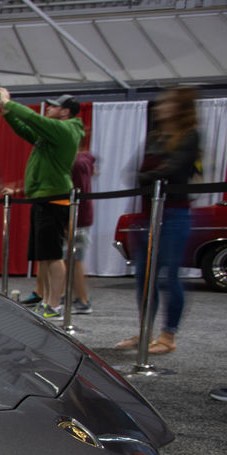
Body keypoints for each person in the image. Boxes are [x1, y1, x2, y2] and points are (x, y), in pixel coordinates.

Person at [116, 86, 201, 355]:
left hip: (174, 213)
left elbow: (174, 170)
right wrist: (151, 176)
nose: (161, 107)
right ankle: (145, 331)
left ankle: (168, 335)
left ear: (180, 108)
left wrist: (150, 176)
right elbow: (137, 171)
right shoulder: (156, 136)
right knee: (143, 276)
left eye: (167, 103)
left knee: (169, 276)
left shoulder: (189, 136)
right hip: (147, 214)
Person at [0, 89, 84, 318]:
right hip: (44, 198)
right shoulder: (53, 135)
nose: (49, 109)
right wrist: (7, 114)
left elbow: (33, 120)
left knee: (53, 254)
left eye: (54, 106)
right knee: (44, 255)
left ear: (65, 111)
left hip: (55, 198)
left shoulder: (65, 130)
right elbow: (25, 130)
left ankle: (54, 304)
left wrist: (10, 104)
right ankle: (47, 300)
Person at [67, 144, 98, 314]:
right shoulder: (86, 158)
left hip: (77, 216)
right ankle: (75, 296)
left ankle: (83, 300)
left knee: (74, 258)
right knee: (70, 258)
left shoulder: (75, 162)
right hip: (82, 215)